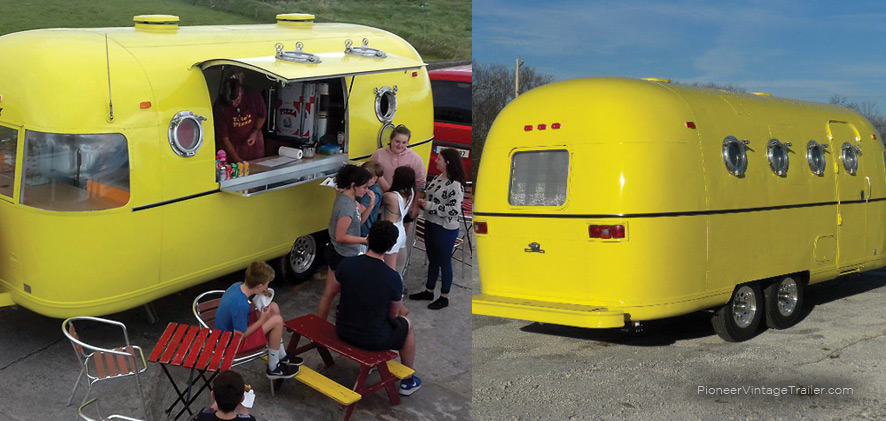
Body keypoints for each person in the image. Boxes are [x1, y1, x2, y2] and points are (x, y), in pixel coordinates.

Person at [335, 220, 421, 396]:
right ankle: (408, 379)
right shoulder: (392, 278)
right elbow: (393, 314)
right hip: (372, 339)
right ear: (390, 248)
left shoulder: (347, 264)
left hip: (343, 329)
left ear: (368, 238)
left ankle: (395, 373)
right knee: (407, 324)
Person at [215, 261, 302, 379]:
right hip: (232, 343)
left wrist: (262, 292)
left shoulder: (237, 286)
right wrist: (261, 321)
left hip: (231, 329)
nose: (267, 287)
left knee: (274, 307)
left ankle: (281, 356)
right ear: (259, 286)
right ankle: (273, 368)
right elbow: (240, 335)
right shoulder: (241, 305)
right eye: (266, 285)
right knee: (277, 320)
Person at [410, 149, 466, 310]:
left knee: (444, 262)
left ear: (448, 162)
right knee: (433, 259)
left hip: (445, 228)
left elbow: (454, 210)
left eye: (439, 159)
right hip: (430, 223)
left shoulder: (456, 185)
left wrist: (429, 205)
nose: (436, 161)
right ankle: (429, 290)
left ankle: (444, 296)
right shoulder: (437, 177)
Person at [316, 164, 372, 320]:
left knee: (330, 293)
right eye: (365, 187)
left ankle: (320, 324)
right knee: (334, 294)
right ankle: (321, 326)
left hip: (340, 252)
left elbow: (357, 222)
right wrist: (366, 241)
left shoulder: (346, 198)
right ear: (353, 185)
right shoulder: (346, 206)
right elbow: (341, 236)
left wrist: (370, 206)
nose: (366, 190)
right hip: (343, 254)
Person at [213, 77, 267, 163]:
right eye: (230, 102)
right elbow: (224, 138)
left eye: (237, 100)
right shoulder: (220, 106)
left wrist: (255, 131)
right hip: (233, 146)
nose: (233, 104)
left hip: (254, 143)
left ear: (242, 93)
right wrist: (236, 159)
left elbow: (262, 116)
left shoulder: (253, 95)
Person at [370, 124, 427, 196]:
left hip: (403, 203)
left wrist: (415, 205)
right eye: (397, 141)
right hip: (378, 198)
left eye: (404, 142)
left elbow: (420, 184)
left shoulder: (416, 159)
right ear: (390, 139)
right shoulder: (378, 154)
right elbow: (369, 175)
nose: (400, 145)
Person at [381, 166, 415, 270]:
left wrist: (378, 176)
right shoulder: (411, 193)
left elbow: (383, 196)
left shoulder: (390, 197)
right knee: (399, 265)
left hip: (389, 232)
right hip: (401, 231)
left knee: (388, 267)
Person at [359, 161, 385, 237]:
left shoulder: (374, 192)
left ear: (374, 179)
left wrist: (347, 194)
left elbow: (361, 209)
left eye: (364, 177)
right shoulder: (364, 186)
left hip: (364, 231)